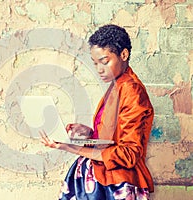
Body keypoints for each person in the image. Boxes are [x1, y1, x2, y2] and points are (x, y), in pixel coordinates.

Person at [40, 24, 154, 200]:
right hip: (100, 180)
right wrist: (89, 133)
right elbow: (114, 139)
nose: (99, 69)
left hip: (114, 185)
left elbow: (129, 154)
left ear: (123, 55)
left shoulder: (132, 90)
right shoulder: (117, 86)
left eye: (105, 61)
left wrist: (70, 147)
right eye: (95, 63)